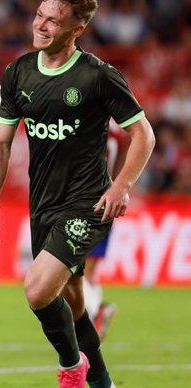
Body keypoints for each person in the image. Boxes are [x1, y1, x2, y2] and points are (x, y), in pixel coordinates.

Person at [0, 0, 155, 388]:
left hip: (87, 203)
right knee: (73, 303)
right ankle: (102, 380)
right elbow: (0, 143)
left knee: (37, 291)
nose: (41, 24)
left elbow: (143, 135)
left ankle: (73, 368)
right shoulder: (18, 71)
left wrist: (121, 186)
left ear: (78, 28)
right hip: (44, 205)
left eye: (54, 20)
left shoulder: (98, 76)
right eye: (40, 15)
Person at [83, 120, 129, 341]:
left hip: (87, 199)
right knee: (89, 269)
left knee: (75, 268)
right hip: (108, 196)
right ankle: (97, 313)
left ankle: (94, 315)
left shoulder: (89, 118)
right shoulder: (119, 127)